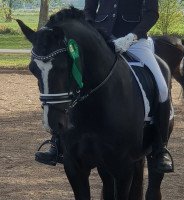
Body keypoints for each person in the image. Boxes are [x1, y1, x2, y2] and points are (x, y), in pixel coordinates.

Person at [36, 0, 174, 173]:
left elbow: (151, 13)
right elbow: (89, 10)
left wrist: (132, 36)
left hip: (136, 42)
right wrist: (93, 33)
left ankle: (160, 148)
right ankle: (57, 142)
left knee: (161, 87)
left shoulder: (135, 38)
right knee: (72, 80)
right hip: (100, 42)